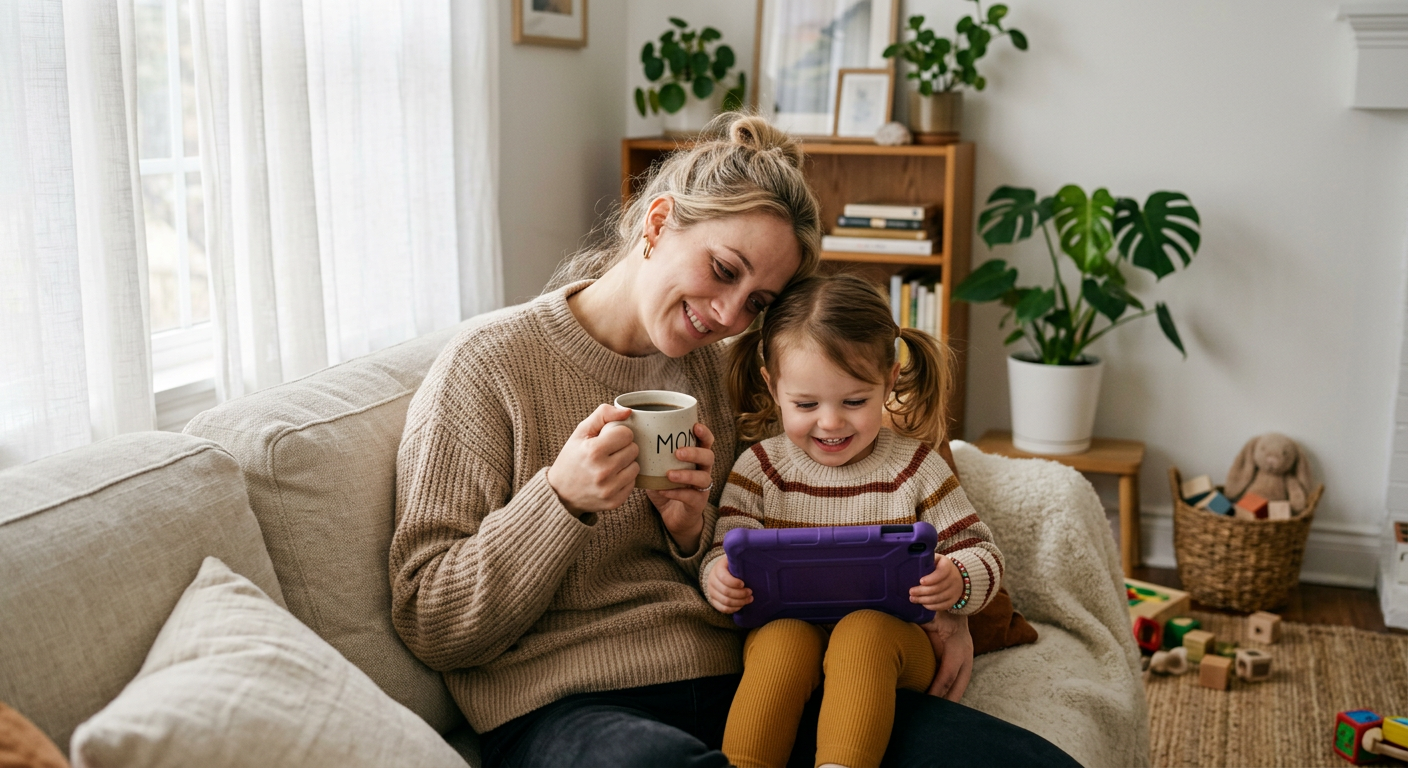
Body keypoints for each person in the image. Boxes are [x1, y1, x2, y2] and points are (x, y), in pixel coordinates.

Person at [389, 112, 1079, 768]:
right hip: (568, 706)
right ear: (658, 224)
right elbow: (432, 622)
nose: (725, 315)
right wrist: (560, 500)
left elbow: (811, 512)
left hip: (748, 682)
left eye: (755, 302)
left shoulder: (720, 371)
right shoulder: (491, 365)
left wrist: (940, 603)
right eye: (724, 269)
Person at [703, 274, 1003, 768]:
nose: (831, 423)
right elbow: (724, 552)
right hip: (788, 631)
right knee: (781, 639)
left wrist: (959, 579)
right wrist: (718, 579)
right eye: (805, 405)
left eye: (854, 402)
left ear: (889, 380)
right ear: (772, 387)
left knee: (864, 632)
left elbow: (980, 550)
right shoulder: (757, 469)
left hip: (895, 646)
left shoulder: (916, 466)